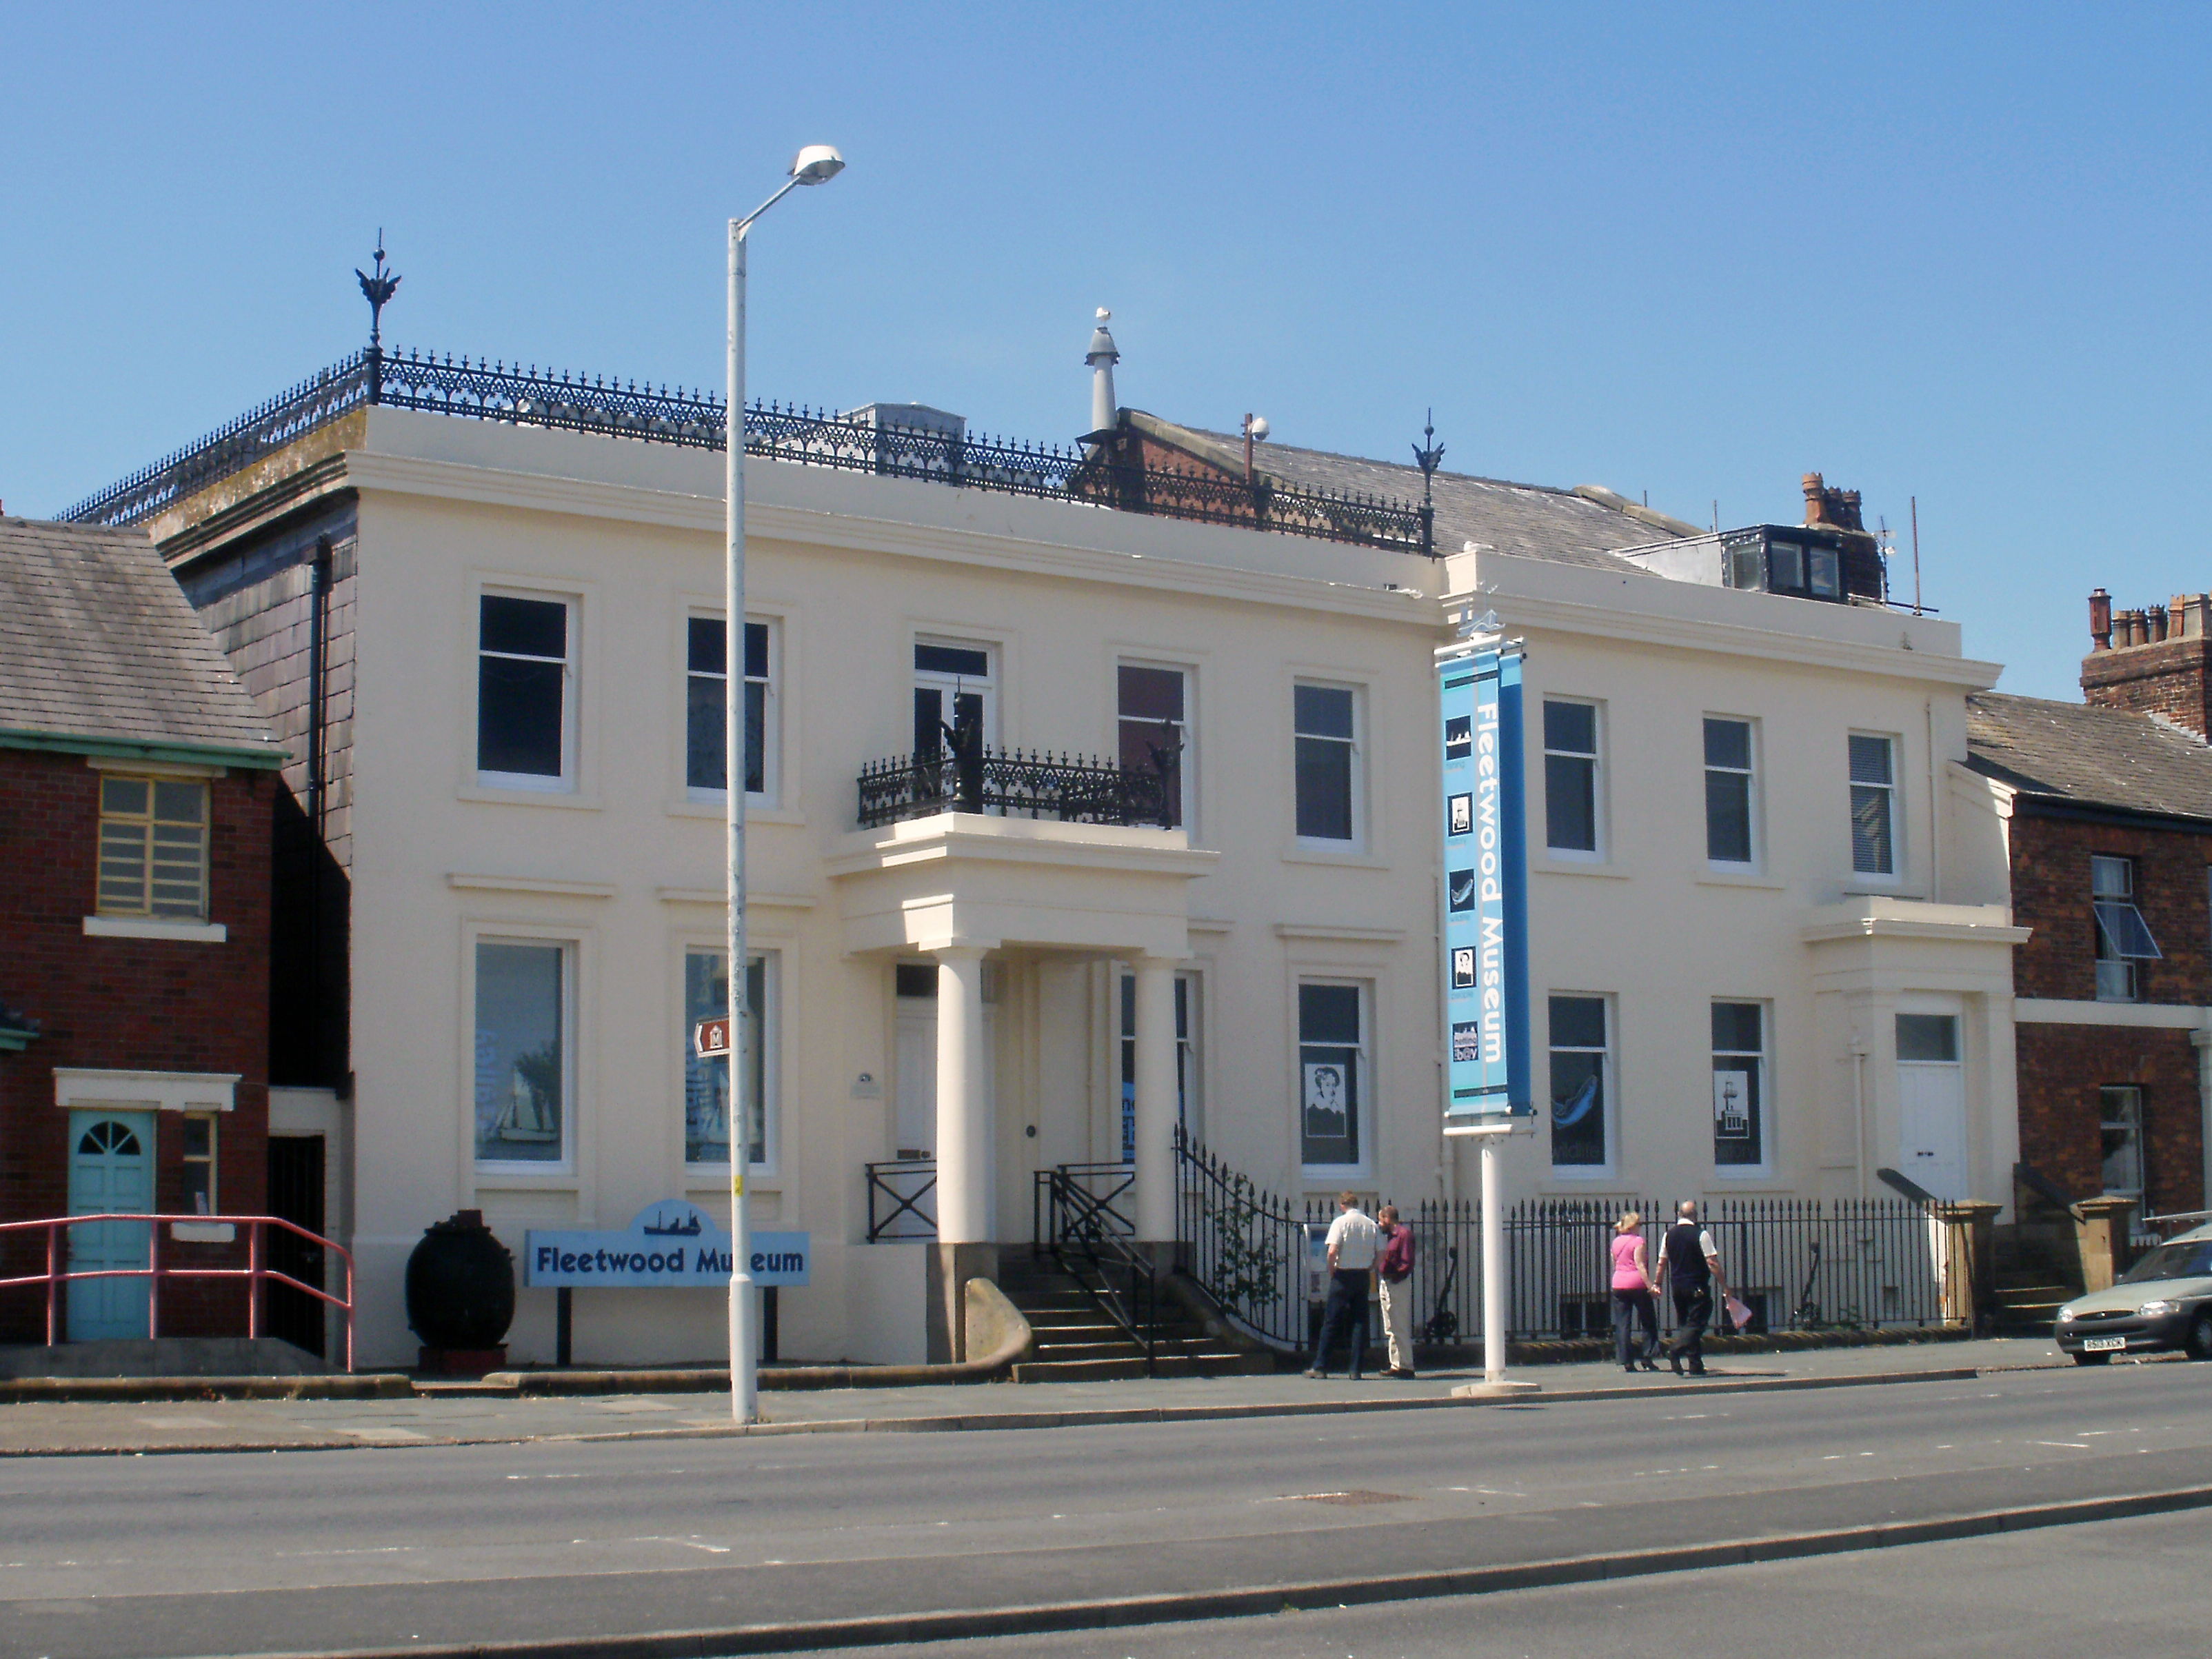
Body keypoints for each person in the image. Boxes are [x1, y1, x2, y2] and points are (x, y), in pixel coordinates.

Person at [1305, 1192, 1378, 1380]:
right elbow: (1382, 1253)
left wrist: (1332, 1270)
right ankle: (1356, 1369)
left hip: (1343, 1275)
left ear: (1343, 1205)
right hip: (1363, 1275)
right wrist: (1371, 1267)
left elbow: (1332, 1251)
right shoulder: (1371, 1224)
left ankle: (1320, 1366)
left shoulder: (1340, 1222)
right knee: (1360, 1322)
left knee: (1331, 1321)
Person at [1660, 1200, 1727, 1376]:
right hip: (1696, 1284)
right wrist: (1725, 1286)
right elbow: (1712, 1262)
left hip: (1677, 1286)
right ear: (1695, 1215)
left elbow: (1662, 1262)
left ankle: (1695, 1364)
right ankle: (1675, 1350)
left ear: (1679, 1215)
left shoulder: (1669, 1235)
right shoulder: (1700, 1234)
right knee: (1697, 1322)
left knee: (1686, 1325)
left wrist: (1657, 1283)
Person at [1608, 1210, 1660, 1374]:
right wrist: (1650, 1286)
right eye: (1639, 1224)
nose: (1640, 1227)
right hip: (1636, 1283)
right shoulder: (1638, 1241)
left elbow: (1614, 1262)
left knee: (1623, 1324)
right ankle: (1647, 1356)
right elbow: (1640, 1265)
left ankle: (1626, 1361)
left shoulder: (1615, 1242)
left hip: (1618, 1283)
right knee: (1648, 1321)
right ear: (1632, 1226)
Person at [1375, 1204, 1418, 1378]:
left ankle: (1407, 1365)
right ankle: (1396, 1363)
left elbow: (1407, 1262)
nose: (1379, 1224)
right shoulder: (1389, 1236)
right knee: (1390, 1325)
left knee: (1399, 1324)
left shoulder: (1403, 1235)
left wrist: (1395, 1276)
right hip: (1387, 1281)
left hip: (1397, 1283)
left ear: (1387, 1219)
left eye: (1380, 1220)